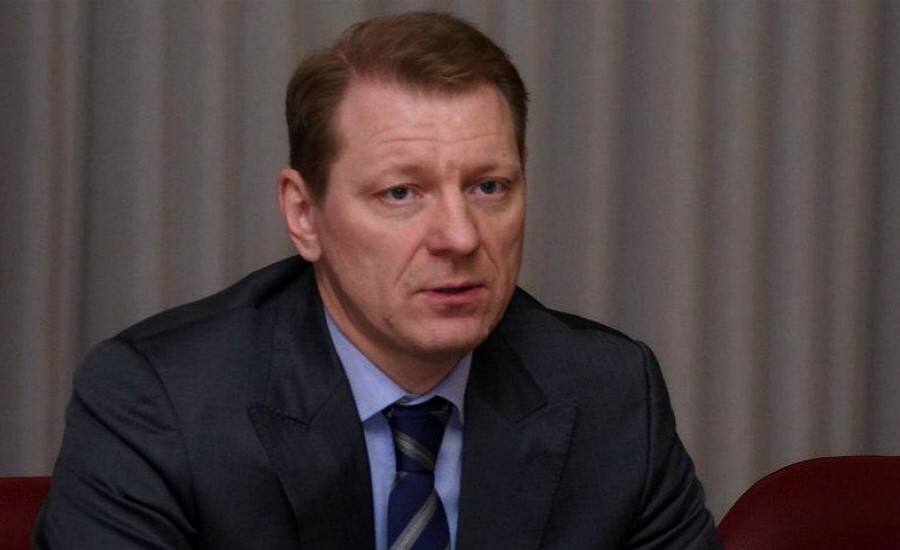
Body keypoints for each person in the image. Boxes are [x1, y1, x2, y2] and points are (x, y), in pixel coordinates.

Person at [36, 11, 720, 549]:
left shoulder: (610, 395)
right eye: (401, 193)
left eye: (488, 186)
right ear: (304, 214)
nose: (460, 237)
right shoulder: (161, 402)